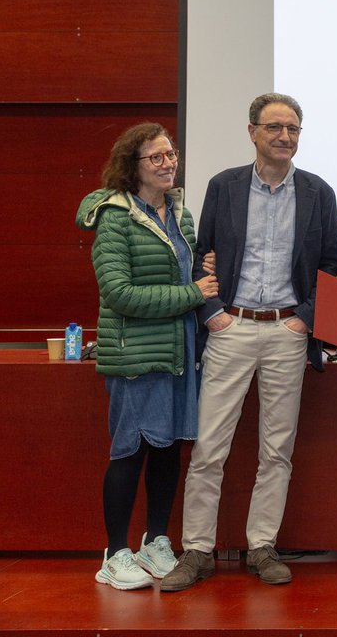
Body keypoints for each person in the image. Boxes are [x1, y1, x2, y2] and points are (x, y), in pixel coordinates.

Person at [161, 93, 337, 591]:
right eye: (275, 127)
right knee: (209, 448)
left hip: (288, 332)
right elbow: (203, 256)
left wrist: (305, 320)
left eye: (294, 129)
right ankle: (197, 550)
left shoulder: (318, 192)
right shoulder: (224, 186)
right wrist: (214, 313)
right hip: (231, 329)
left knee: (277, 451)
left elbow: (331, 265)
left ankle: (262, 546)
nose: (285, 137)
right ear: (252, 132)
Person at [76, 123, 220, 590]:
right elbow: (119, 294)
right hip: (135, 357)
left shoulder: (180, 214)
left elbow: (192, 272)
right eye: (156, 157)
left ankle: (155, 541)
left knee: (167, 450)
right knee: (130, 451)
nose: (168, 163)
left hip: (180, 353)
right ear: (132, 165)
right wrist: (191, 292)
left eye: (171, 154)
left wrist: (203, 272)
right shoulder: (115, 216)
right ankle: (114, 552)